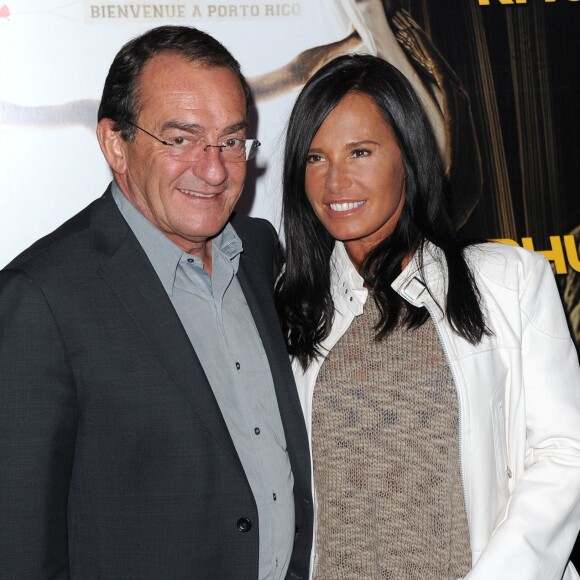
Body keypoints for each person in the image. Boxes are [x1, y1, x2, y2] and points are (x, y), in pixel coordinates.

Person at [0, 25, 313, 579]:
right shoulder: (41, 298)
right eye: (181, 139)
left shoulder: (261, 254)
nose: (214, 169)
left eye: (231, 141)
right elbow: (20, 546)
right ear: (116, 143)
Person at [275, 54, 580, 579]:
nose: (335, 181)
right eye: (315, 158)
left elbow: (564, 453)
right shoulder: (290, 306)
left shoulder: (507, 281)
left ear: (408, 157)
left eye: (361, 151)